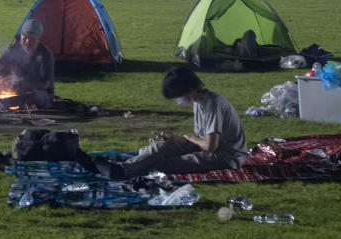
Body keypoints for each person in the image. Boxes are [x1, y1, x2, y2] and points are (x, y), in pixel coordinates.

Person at [103, 66, 248, 179]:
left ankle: (125, 171)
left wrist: (191, 138)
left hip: (226, 156)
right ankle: (120, 169)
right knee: (159, 148)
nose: (179, 100)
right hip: (205, 147)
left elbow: (210, 146)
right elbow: (200, 139)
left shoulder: (213, 105)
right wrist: (177, 139)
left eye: (179, 96)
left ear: (191, 89)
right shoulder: (198, 102)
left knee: (165, 163)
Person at [0, 19, 55, 109]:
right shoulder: (13, 49)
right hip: (14, 90)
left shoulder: (45, 54)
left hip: (37, 92)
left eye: (32, 39)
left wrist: (24, 84)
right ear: (20, 36)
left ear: (39, 39)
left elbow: (46, 84)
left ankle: (3, 106)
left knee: (34, 96)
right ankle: (9, 105)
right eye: (25, 38)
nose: (27, 42)